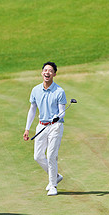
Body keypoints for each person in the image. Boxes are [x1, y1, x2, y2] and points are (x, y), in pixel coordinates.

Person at [23, 62, 67, 196]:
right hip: (41, 125)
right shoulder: (35, 90)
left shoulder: (59, 91)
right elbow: (32, 109)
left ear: (54, 74)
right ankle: (56, 176)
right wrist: (27, 129)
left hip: (55, 126)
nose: (47, 72)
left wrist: (56, 118)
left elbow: (62, 112)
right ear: (42, 73)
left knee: (51, 156)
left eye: (50, 71)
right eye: (45, 70)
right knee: (37, 156)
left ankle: (53, 185)